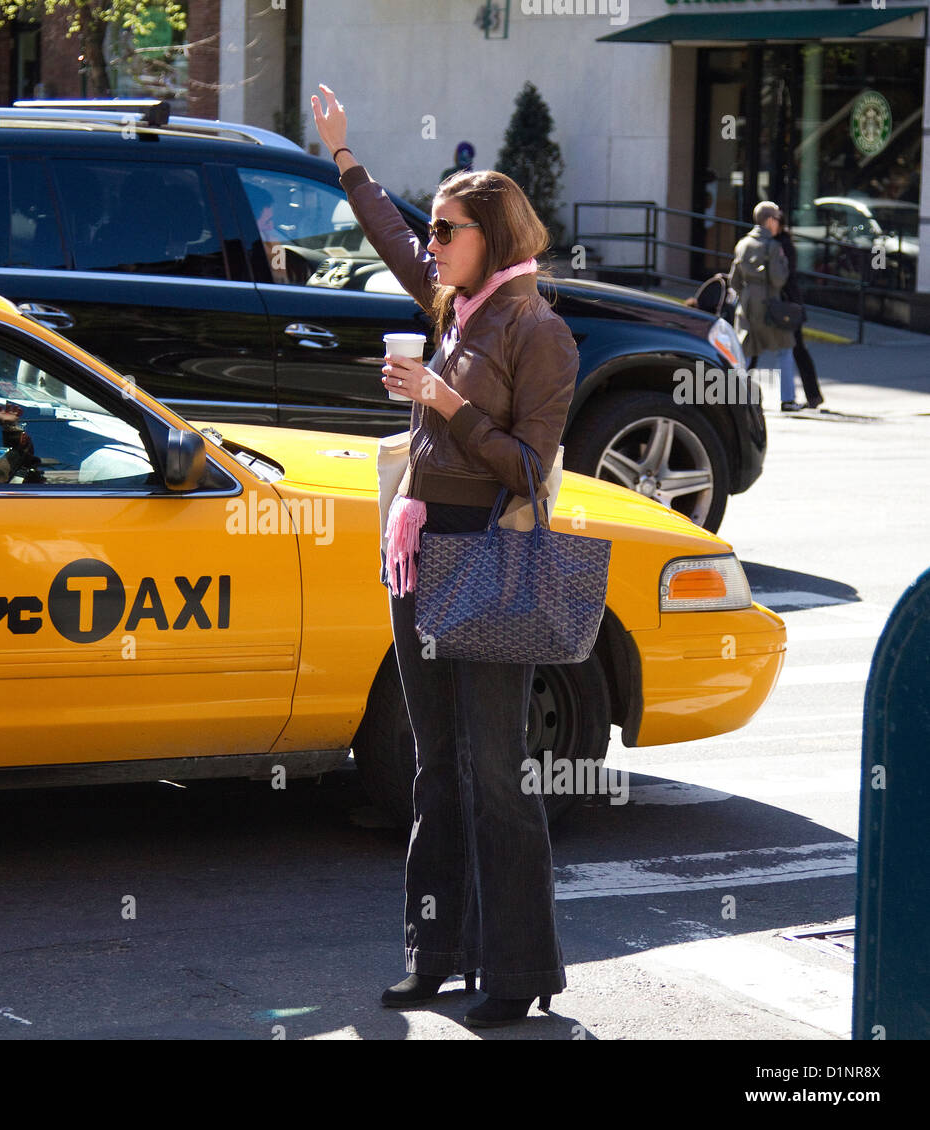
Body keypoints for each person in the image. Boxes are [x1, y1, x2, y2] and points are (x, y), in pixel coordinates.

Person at [311, 84, 579, 1028]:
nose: (430, 242)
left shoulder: (536, 332)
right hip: (420, 552)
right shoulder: (455, 308)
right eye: (431, 228)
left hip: (489, 555)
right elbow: (388, 238)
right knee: (432, 768)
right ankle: (437, 952)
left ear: (494, 239)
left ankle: (516, 970)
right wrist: (345, 161)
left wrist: (445, 399)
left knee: (497, 775)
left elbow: (528, 467)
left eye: (447, 229)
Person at [730, 201, 802, 411]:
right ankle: (787, 399)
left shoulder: (743, 244)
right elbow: (778, 279)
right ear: (770, 220)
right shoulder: (773, 246)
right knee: (785, 348)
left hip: (746, 304)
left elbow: (734, 281)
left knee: (745, 352)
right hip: (769, 304)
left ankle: (733, 396)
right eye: (777, 218)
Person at [775, 222, 824, 409]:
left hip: (786, 305)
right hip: (786, 303)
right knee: (796, 349)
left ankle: (812, 395)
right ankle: (813, 395)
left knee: (795, 348)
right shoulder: (779, 242)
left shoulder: (781, 244)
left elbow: (784, 275)